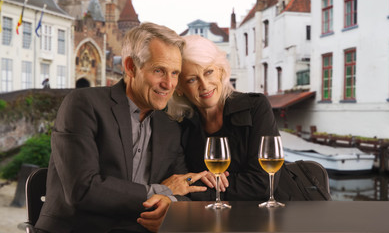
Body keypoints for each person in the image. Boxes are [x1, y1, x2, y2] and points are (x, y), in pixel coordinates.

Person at [35, 23, 209, 233]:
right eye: (159, 71)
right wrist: (161, 191)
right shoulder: (83, 104)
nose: (169, 83)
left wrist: (169, 207)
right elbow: (83, 189)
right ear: (130, 67)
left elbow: (183, 189)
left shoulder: (169, 126)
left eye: (174, 73)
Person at [167, 35, 280, 201]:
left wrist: (208, 187)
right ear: (179, 88)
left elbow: (263, 183)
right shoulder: (179, 125)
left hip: (261, 218)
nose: (204, 85)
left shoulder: (255, 107)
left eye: (209, 72)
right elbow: (182, 183)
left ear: (221, 71)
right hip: (207, 220)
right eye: (192, 79)